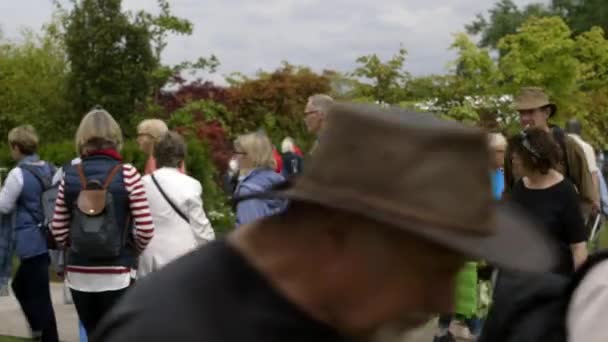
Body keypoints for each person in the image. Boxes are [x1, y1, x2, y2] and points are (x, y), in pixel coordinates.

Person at [93, 104, 556, 342]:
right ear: (339, 234)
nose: (437, 297)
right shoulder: (176, 330)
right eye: (427, 265)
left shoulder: (319, 308)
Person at [51, 108, 154, 337]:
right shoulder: (128, 173)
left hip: (79, 274)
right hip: (118, 272)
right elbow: (146, 228)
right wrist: (130, 250)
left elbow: (57, 229)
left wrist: (77, 244)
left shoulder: (70, 175)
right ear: (115, 138)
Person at [0, 125, 59, 341]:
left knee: (38, 295)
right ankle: (39, 331)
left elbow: (4, 206)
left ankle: (44, 334)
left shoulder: (18, 174)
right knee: (24, 286)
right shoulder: (50, 168)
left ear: (16, 147)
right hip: (48, 236)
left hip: (29, 241)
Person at [504, 87, 596, 217]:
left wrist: (572, 226)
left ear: (546, 113)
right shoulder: (514, 147)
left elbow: (586, 196)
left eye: (530, 112)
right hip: (524, 230)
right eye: (521, 113)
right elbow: (509, 190)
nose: (524, 118)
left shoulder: (567, 145)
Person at [138, 132, 215, 278]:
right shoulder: (192, 185)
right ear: (182, 158)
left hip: (149, 256)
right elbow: (201, 228)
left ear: (155, 156)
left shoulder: (143, 183)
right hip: (183, 254)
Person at [232, 132, 287, 227]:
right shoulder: (278, 180)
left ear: (250, 156)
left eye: (237, 153)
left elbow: (251, 235)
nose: (235, 157)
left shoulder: (248, 192)